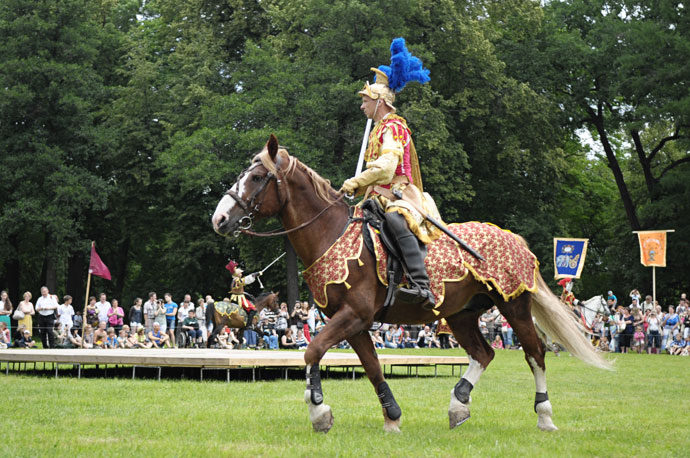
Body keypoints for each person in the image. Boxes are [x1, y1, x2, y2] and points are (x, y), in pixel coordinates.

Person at [340, 38, 437, 308]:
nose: (362, 106)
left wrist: (355, 181)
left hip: (398, 196)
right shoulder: (378, 129)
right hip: (376, 196)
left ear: (380, 102)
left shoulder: (393, 127)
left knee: (395, 220)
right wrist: (356, 188)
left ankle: (421, 285)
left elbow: (385, 169)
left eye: (365, 100)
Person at [226, 260, 262, 329]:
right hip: (239, 298)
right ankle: (248, 325)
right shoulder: (237, 280)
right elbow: (246, 280)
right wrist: (255, 274)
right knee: (253, 310)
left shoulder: (236, 280)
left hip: (237, 296)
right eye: (240, 273)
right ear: (237, 274)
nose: (241, 274)